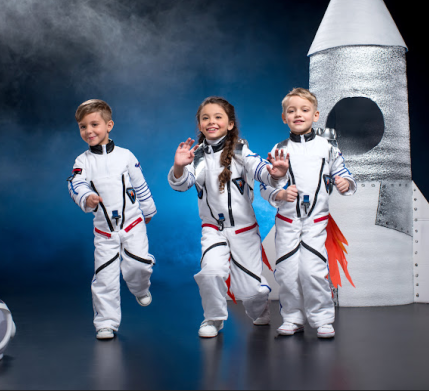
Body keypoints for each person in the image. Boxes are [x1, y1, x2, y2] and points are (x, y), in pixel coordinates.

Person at [168, 96, 289, 338]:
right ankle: (213, 318)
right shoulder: (197, 156)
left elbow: (261, 171)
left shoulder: (241, 151)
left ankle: (260, 309)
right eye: (205, 118)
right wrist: (179, 166)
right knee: (211, 272)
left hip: (244, 230)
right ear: (200, 125)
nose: (211, 121)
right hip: (213, 229)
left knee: (252, 290)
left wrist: (276, 173)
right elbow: (182, 184)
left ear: (230, 124)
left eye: (218, 117)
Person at [260, 88, 356, 338]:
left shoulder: (327, 148)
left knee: (312, 270)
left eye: (304, 110)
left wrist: (345, 183)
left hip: (315, 221)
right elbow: (266, 184)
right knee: (287, 271)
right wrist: (280, 193)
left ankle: (322, 318)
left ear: (316, 115)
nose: (298, 114)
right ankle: (293, 317)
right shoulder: (279, 149)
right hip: (288, 221)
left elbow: (343, 173)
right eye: (291, 111)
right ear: (284, 118)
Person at [67, 99, 156, 340]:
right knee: (105, 277)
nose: (89, 131)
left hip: (133, 224)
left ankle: (140, 288)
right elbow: (75, 183)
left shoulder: (126, 156)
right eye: (83, 126)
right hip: (105, 231)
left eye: (94, 124)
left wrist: (148, 210)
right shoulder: (82, 161)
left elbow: (140, 183)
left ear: (109, 125)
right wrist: (86, 197)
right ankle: (106, 322)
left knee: (139, 265)